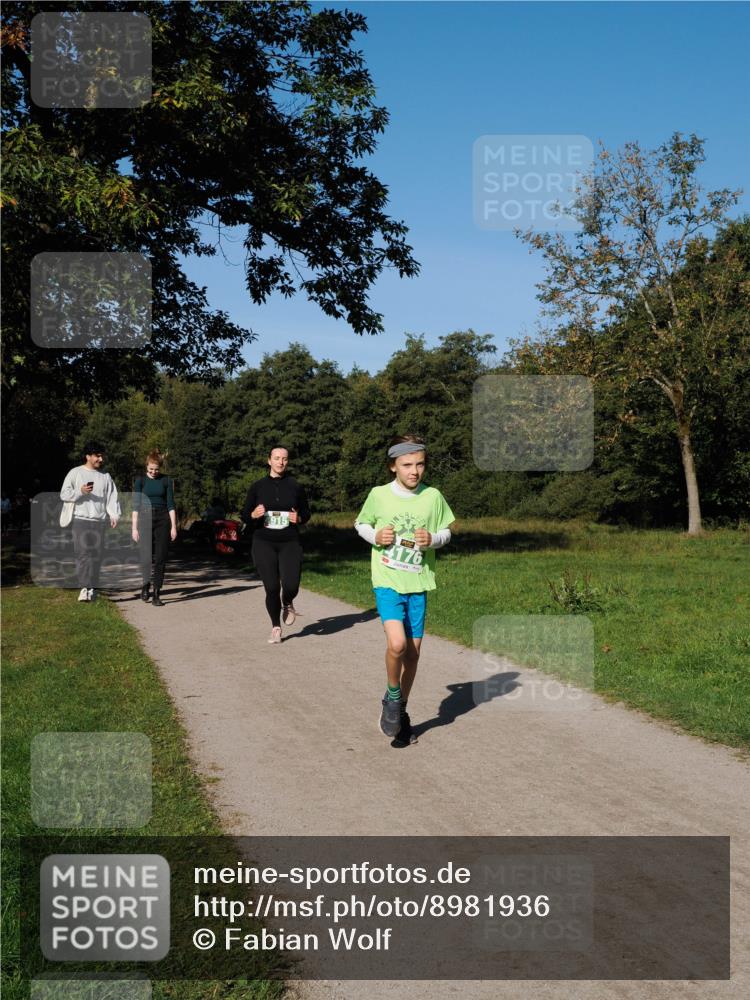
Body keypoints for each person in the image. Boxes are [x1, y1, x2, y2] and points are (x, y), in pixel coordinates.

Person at [355, 434, 455, 745]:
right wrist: (376, 536)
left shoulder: (433, 496)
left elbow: (447, 530)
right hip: (388, 581)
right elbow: (360, 524)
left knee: (412, 654)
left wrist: (434, 540)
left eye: (420, 464)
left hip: (418, 584)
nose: (414, 471)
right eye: (407, 465)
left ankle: (401, 711)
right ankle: (392, 697)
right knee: (397, 645)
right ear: (393, 467)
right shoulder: (379, 495)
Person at [242, 446, 311, 643]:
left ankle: (287, 601)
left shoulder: (296, 486)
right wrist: (253, 515)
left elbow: (306, 513)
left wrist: (299, 517)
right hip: (264, 541)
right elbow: (245, 514)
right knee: (271, 587)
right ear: (269, 461)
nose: (281, 462)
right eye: (277, 458)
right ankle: (275, 627)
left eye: (285, 459)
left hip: (289, 540)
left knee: (291, 585)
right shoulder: (257, 487)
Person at [59, 442, 121, 602]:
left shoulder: (105, 476)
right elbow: (64, 494)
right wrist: (80, 491)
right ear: (88, 456)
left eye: (102, 455)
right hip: (80, 520)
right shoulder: (75, 473)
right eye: (97, 455)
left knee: (97, 556)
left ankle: (92, 588)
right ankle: (84, 588)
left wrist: (114, 515)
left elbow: (112, 497)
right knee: (83, 554)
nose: (101, 458)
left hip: (99, 522)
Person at [132, 451, 177, 607]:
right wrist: (134, 528)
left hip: (163, 519)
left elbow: (171, 504)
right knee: (145, 557)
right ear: (147, 466)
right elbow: (135, 506)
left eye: (156, 469)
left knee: (160, 557)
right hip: (144, 518)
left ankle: (157, 593)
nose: (153, 472)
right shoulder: (140, 481)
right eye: (151, 469)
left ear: (160, 467)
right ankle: (145, 585)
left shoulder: (166, 480)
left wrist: (173, 526)